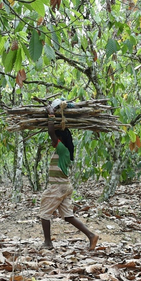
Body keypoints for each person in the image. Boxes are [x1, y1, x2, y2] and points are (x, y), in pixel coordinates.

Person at [38, 105, 98, 250]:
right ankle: (91, 235)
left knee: (44, 213)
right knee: (67, 216)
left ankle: (48, 242)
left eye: (56, 139)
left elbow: (51, 132)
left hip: (58, 187)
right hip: (65, 186)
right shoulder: (63, 152)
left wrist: (51, 115)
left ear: (60, 139)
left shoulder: (62, 149)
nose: (52, 141)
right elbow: (53, 135)